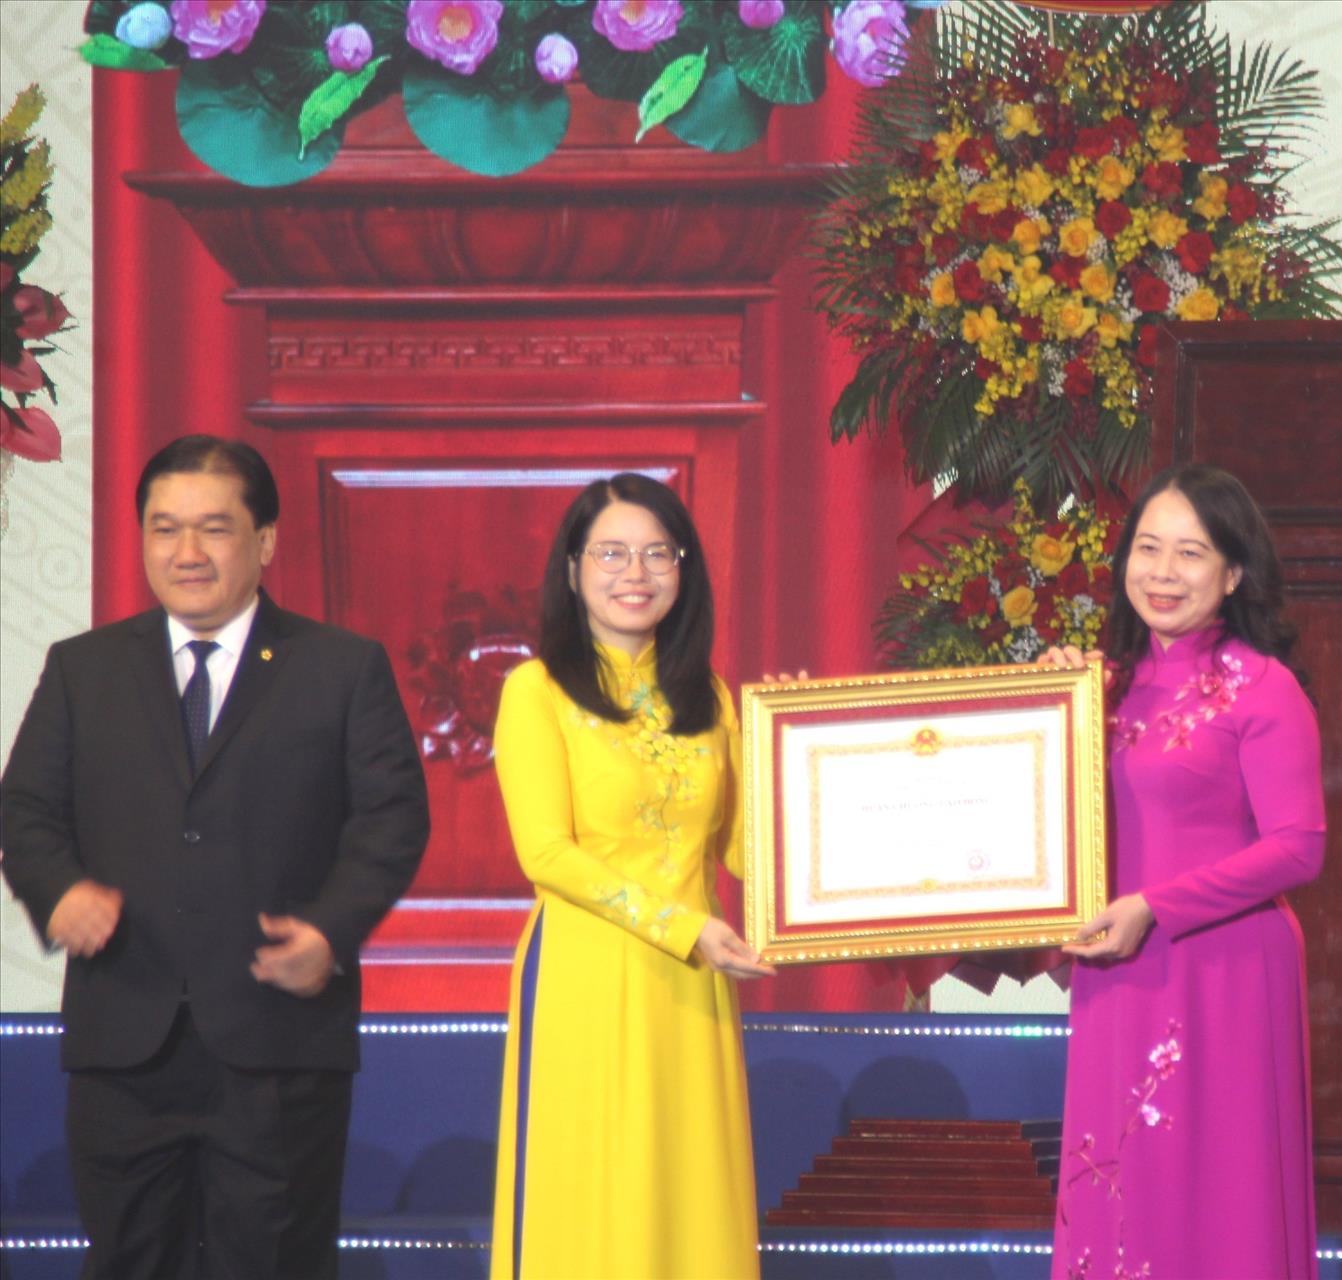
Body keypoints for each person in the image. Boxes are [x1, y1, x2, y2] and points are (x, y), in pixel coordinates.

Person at [0, 434, 430, 1279]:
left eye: (213, 528)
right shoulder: (85, 669)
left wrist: (330, 929)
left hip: (278, 1041)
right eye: (164, 529)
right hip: (125, 1035)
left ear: (264, 541)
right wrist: (59, 892)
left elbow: (391, 819)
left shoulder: (341, 668)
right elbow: (26, 808)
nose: (186, 552)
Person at [1044, 463, 1326, 1279]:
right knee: (1121, 1185)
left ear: (1233, 573)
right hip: (1116, 969)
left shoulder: (1263, 687)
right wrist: (1044, 702)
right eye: (1148, 548)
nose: (1163, 572)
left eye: (1191, 553)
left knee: (1216, 1195)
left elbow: (1299, 845)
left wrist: (1155, 907)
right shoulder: (1095, 687)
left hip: (1224, 973)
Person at [489, 473, 772, 1280]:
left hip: (694, 986)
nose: (635, 573)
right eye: (611, 553)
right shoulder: (536, 691)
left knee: (691, 1202)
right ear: (572, 568)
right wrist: (684, 930)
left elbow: (745, 851)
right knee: (596, 1206)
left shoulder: (707, 696)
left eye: (658, 553)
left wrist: (789, 751)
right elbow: (546, 853)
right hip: (587, 979)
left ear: (684, 569)